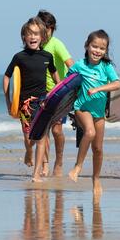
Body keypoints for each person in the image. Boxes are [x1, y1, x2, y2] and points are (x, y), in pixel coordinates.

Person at [3, 17, 60, 182]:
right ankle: (28, 151)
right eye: (29, 34)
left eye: (36, 34)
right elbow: (7, 78)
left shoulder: (47, 56)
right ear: (24, 37)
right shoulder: (19, 57)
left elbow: (55, 74)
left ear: (42, 36)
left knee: (41, 137)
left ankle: (36, 173)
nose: (33, 37)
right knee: (29, 139)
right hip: (25, 104)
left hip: (42, 101)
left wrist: (60, 91)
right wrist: (9, 101)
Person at [67, 30, 120, 195]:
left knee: (98, 148)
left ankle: (96, 179)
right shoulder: (79, 65)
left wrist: (99, 88)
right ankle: (77, 166)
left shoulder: (106, 67)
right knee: (89, 133)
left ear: (106, 51)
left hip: (99, 112)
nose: (97, 51)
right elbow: (66, 85)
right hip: (82, 108)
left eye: (102, 48)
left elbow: (117, 84)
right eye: (94, 46)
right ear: (87, 46)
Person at [37, 10, 75, 177]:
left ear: (51, 28)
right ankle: (44, 164)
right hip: (40, 93)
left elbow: (71, 64)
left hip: (58, 92)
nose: (40, 33)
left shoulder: (56, 44)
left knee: (57, 130)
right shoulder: (35, 45)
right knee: (42, 130)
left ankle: (58, 161)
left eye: (43, 29)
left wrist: (71, 86)